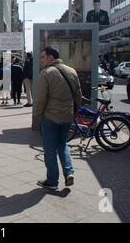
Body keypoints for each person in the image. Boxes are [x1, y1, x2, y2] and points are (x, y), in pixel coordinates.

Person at [35, 47, 82, 190]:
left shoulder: (46, 73)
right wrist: (75, 111)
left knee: (49, 149)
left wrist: (39, 113)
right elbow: (78, 94)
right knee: (62, 144)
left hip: (51, 116)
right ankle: (69, 173)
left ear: (50, 57)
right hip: (67, 116)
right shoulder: (71, 71)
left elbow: (41, 98)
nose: (41, 60)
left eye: (42, 57)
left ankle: (52, 181)